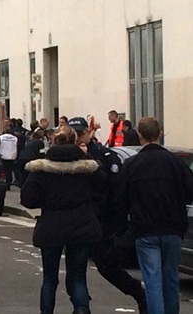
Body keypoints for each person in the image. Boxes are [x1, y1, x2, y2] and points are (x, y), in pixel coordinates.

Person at [69, 117, 147, 313]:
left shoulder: (104, 156)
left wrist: (116, 224)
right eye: (74, 134)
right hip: (76, 222)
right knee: (75, 270)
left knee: (108, 268)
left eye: (80, 133)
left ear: (88, 133)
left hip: (101, 222)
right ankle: (81, 305)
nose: (78, 137)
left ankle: (138, 293)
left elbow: (117, 192)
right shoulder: (67, 156)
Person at [21, 126, 102, 314]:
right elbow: (103, 189)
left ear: (53, 142)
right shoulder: (87, 168)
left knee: (50, 278)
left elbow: (28, 200)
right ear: (75, 141)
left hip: (51, 226)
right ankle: (82, 309)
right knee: (78, 276)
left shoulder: (41, 170)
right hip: (82, 224)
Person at [117, 117, 193, 314]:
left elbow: (121, 198)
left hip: (145, 228)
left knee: (152, 281)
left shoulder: (132, 164)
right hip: (173, 227)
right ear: (160, 134)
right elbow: (190, 192)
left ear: (140, 136)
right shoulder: (176, 162)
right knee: (171, 278)